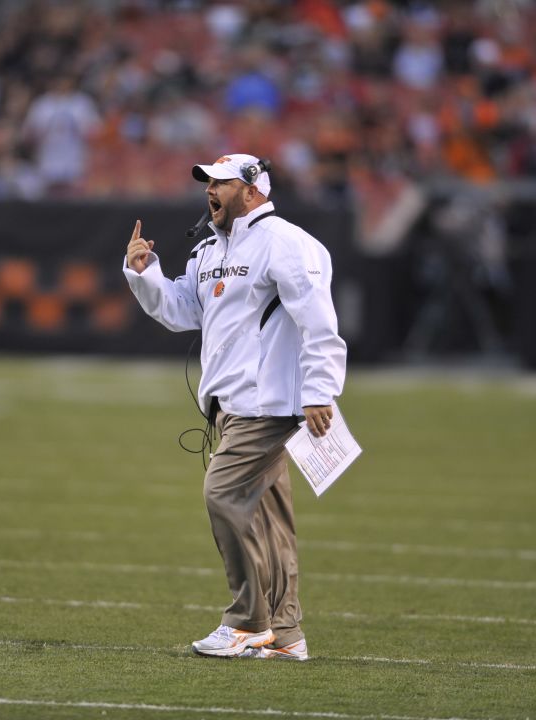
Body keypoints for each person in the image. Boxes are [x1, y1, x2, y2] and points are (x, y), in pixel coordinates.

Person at [122, 153, 347, 662]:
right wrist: (145, 274)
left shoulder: (288, 243)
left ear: (250, 189)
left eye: (220, 182)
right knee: (270, 519)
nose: (210, 189)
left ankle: (247, 623)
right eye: (206, 181)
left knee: (223, 493)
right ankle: (287, 636)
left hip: (270, 404)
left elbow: (319, 323)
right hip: (230, 404)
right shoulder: (209, 249)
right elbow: (185, 313)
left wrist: (319, 390)